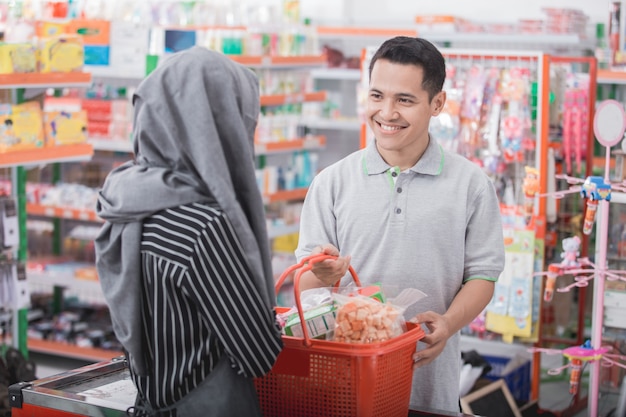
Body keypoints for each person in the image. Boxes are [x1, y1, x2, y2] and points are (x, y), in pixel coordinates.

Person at [295, 36, 505, 413]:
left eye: (404, 100)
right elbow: (305, 286)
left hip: (429, 387)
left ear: (437, 103)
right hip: (344, 388)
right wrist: (321, 273)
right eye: (377, 96)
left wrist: (448, 322)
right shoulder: (332, 182)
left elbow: (483, 276)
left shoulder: (471, 185)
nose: (386, 113)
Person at [94, 46, 282, 416]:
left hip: (152, 400)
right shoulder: (201, 226)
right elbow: (259, 353)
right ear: (220, 126)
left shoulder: (123, 199)